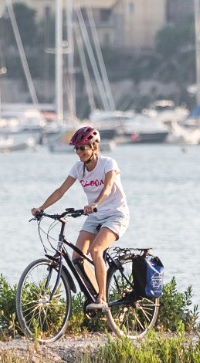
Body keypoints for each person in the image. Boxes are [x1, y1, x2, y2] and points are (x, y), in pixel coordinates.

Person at [31, 126, 128, 311]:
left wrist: (96, 203)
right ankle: (96, 293)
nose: (79, 152)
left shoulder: (109, 163)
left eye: (83, 148)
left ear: (95, 147)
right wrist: (41, 208)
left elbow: (107, 188)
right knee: (77, 258)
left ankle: (102, 298)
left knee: (96, 250)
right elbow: (61, 190)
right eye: (76, 148)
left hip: (116, 214)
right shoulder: (78, 168)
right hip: (94, 216)